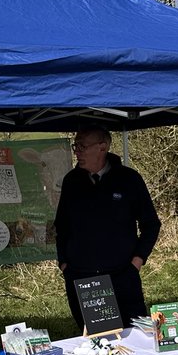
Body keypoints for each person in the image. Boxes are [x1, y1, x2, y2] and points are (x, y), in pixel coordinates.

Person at [54, 127, 161, 331]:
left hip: (122, 278)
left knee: (136, 339)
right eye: (75, 146)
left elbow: (151, 224)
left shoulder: (129, 179)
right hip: (82, 280)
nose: (76, 151)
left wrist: (136, 262)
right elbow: (61, 227)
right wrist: (64, 264)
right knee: (99, 347)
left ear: (102, 147)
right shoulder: (71, 181)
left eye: (82, 146)